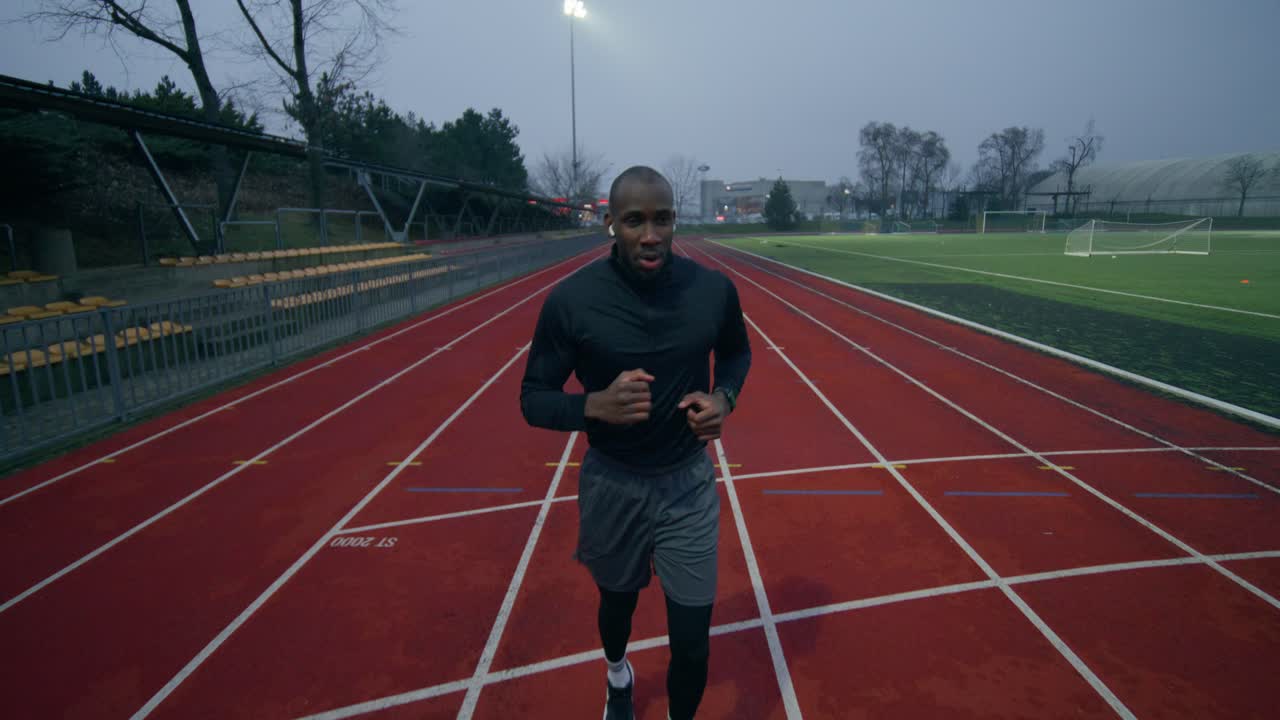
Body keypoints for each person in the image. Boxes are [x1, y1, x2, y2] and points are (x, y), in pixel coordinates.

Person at [520, 165, 751, 719]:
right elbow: (533, 397)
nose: (651, 235)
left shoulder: (712, 290)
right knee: (617, 607)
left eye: (662, 219)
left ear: (675, 221)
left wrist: (723, 399)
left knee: (693, 642)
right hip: (612, 482)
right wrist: (592, 406)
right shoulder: (572, 300)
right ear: (611, 224)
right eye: (635, 221)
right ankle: (618, 675)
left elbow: (736, 353)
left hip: (687, 485)